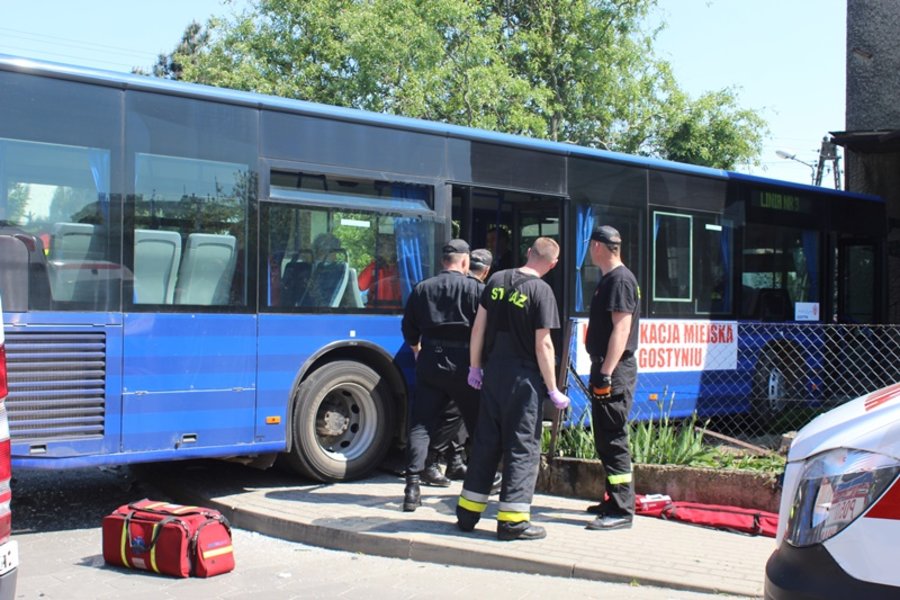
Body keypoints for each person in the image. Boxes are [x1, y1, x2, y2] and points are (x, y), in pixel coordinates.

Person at [456, 237, 570, 541]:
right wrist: (553, 388)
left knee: (485, 443)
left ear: (528, 253)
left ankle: (467, 514)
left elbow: (478, 327)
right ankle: (512, 522)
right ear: (553, 264)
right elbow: (543, 344)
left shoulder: (496, 279)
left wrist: (475, 367)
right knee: (522, 447)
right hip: (524, 380)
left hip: (493, 373)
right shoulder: (542, 291)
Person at [400, 239, 483, 511]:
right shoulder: (476, 289)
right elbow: (486, 329)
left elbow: (409, 327)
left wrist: (416, 348)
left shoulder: (422, 288)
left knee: (421, 424)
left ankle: (412, 488)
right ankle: (477, 484)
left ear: (442, 262)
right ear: (465, 261)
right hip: (465, 364)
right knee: (477, 424)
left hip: (430, 360)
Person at [583, 225, 641, 531]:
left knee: (614, 437)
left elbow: (622, 328)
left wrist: (605, 371)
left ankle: (621, 510)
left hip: (613, 371)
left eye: (590, 245)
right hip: (607, 368)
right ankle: (613, 498)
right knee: (605, 437)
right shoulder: (612, 279)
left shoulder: (619, 280)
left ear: (598, 246)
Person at [422, 248, 494, 485]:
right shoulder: (479, 291)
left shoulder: (441, 286)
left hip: (439, 359)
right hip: (466, 363)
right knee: (456, 412)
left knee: (456, 413)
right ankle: (433, 461)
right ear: (486, 271)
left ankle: (454, 461)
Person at [358, 235, 402, 309]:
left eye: (386, 246)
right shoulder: (375, 267)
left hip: (397, 313)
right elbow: (361, 286)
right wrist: (375, 264)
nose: (381, 249)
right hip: (375, 312)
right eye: (380, 246)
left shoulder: (403, 268)